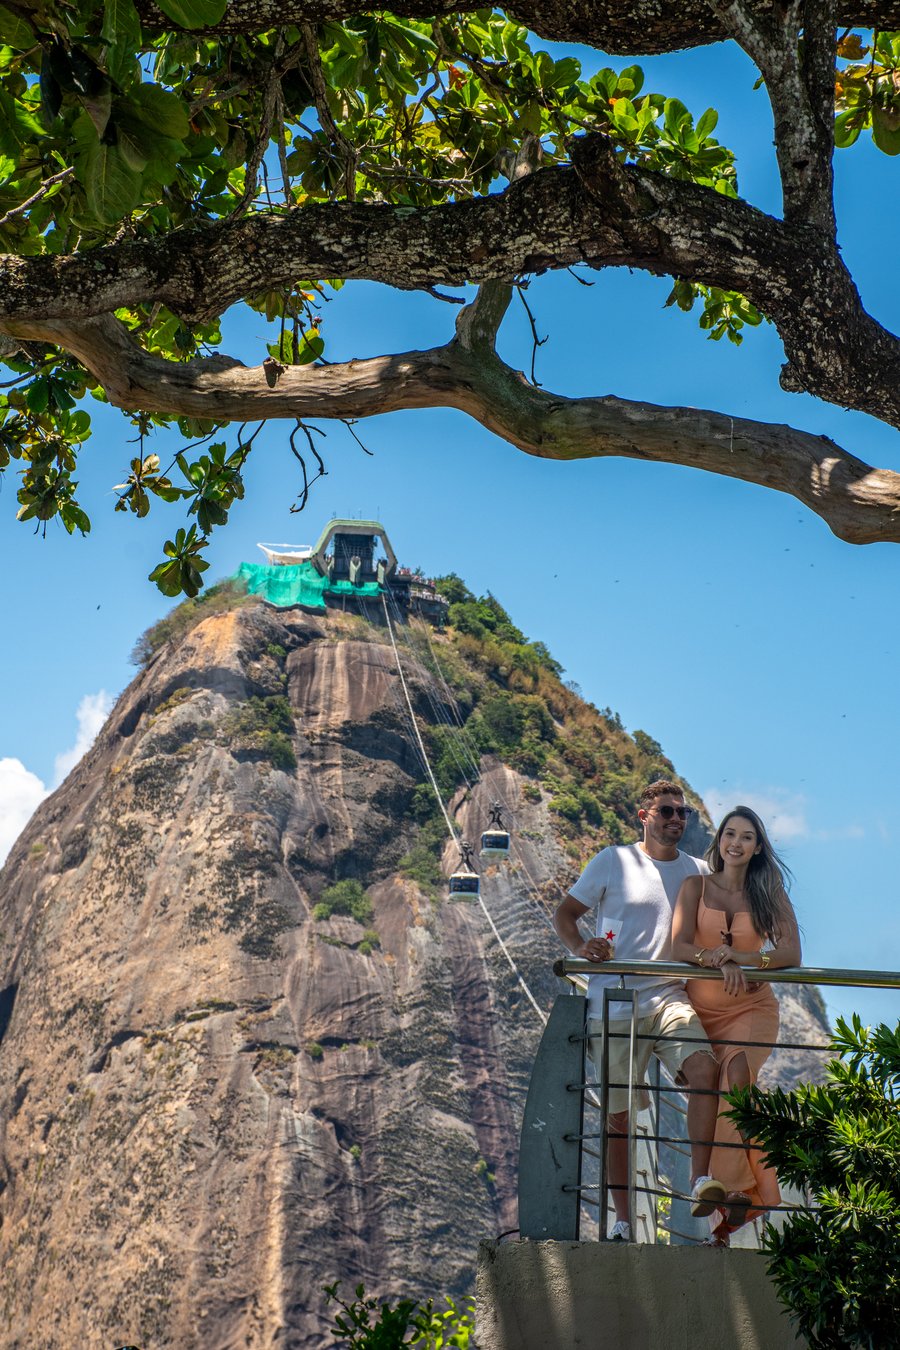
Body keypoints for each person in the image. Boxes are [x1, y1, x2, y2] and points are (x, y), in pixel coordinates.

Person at [554, 780, 725, 1242]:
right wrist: (580, 946)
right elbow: (565, 914)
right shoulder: (613, 860)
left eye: (682, 813)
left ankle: (699, 1181)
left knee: (704, 1071)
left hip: (670, 996)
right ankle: (624, 1219)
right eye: (666, 811)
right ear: (643, 815)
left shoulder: (697, 872)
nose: (676, 819)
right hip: (614, 1000)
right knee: (619, 1115)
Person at [671, 806, 802, 1247]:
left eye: (747, 837)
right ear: (719, 841)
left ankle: (739, 1191)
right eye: (730, 834)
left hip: (752, 1009)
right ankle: (751, 1196)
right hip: (702, 1013)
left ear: (758, 847)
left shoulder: (770, 894)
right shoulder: (696, 886)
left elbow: (789, 955)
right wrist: (711, 958)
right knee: (725, 1091)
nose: (736, 843)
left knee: (737, 1076)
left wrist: (742, 960)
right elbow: (679, 946)